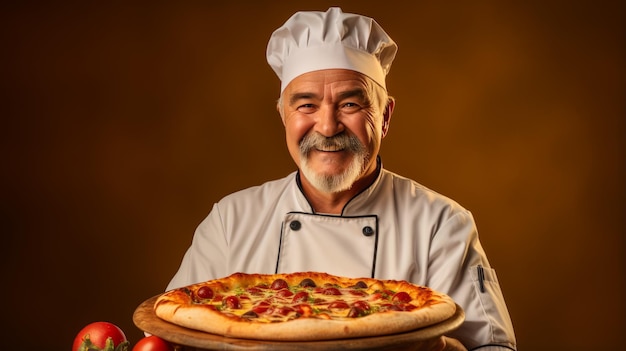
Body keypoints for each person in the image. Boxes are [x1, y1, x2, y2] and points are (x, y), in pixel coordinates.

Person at [167, 7, 517, 351]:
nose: (328, 126)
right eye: (306, 105)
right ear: (283, 116)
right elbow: (172, 339)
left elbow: (490, 347)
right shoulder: (231, 220)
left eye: (350, 104)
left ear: (384, 116)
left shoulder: (441, 224)